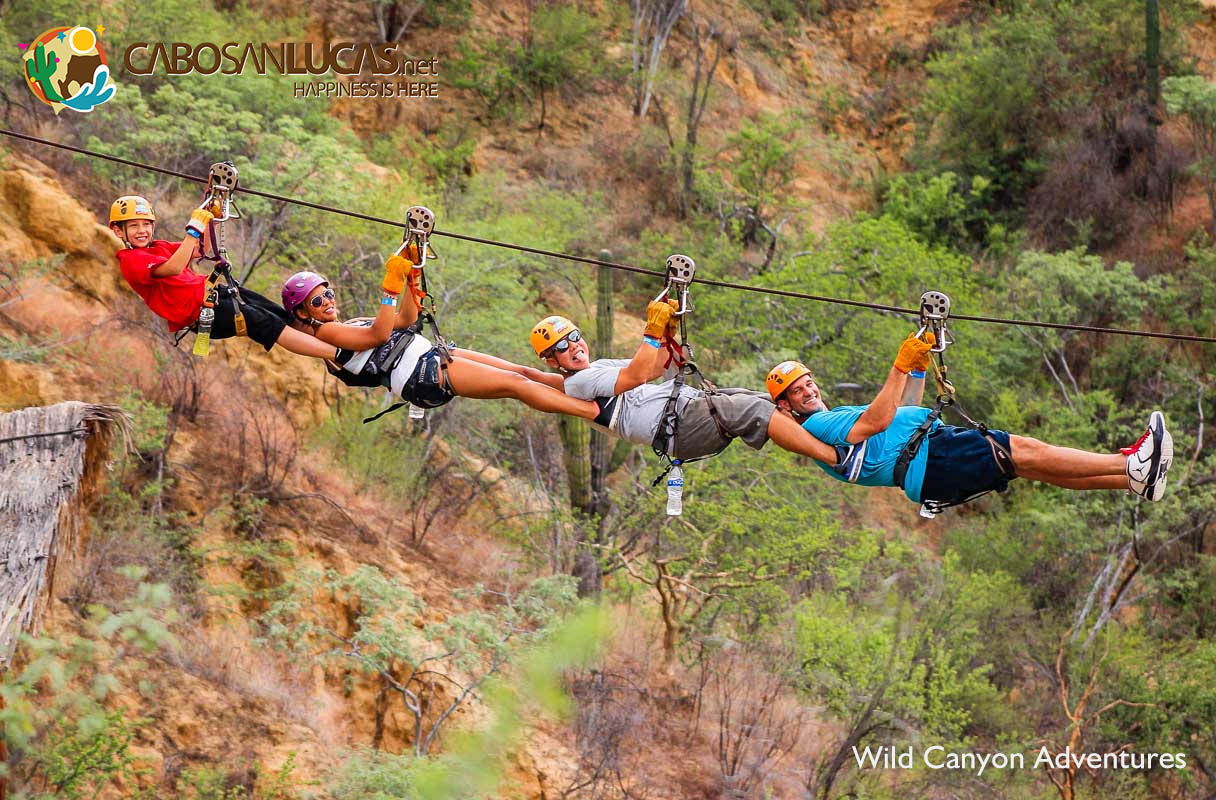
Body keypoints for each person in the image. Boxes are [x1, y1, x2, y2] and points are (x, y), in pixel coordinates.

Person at [766, 332, 1174, 513]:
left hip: (930, 455)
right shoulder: (816, 429)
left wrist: (918, 371)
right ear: (785, 407)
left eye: (808, 382)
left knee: (1032, 464)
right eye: (797, 391)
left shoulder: (830, 419)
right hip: (933, 460)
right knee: (1028, 451)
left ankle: (1132, 479)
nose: (808, 390)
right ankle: (1130, 464)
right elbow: (875, 421)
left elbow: (902, 414)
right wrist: (899, 365)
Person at [520, 302, 863, 472]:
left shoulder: (598, 366)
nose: (575, 347)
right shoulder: (580, 382)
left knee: (758, 399)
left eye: (575, 337)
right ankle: (835, 457)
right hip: (679, 428)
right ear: (552, 361)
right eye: (563, 347)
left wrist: (668, 326)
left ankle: (828, 428)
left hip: (685, 410)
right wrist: (652, 331)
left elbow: (654, 365)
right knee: (757, 410)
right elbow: (637, 375)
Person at [281, 254, 601, 420]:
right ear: (303, 313)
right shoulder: (326, 337)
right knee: (517, 385)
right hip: (424, 374)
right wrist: (390, 290)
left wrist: (411, 275)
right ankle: (590, 410)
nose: (329, 302)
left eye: (329, 293)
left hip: (433, 357)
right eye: (318, 301)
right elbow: (380, 334)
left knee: (523, 372)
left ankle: (589, 384)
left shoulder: (350, 323)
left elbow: (406, 319)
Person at [109, 195, 334, 358]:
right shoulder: (131, 260)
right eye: (134, 225)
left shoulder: (158, 246)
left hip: (214, 295)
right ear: (119, 231)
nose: (142, 230)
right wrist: (192, 230)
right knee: (262, 322)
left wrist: (211, 219)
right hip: (203, 313)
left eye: (146, 224)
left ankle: (331, 337)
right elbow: (174, 268)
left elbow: (199, 249)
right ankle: (336, 355)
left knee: (275, 312)